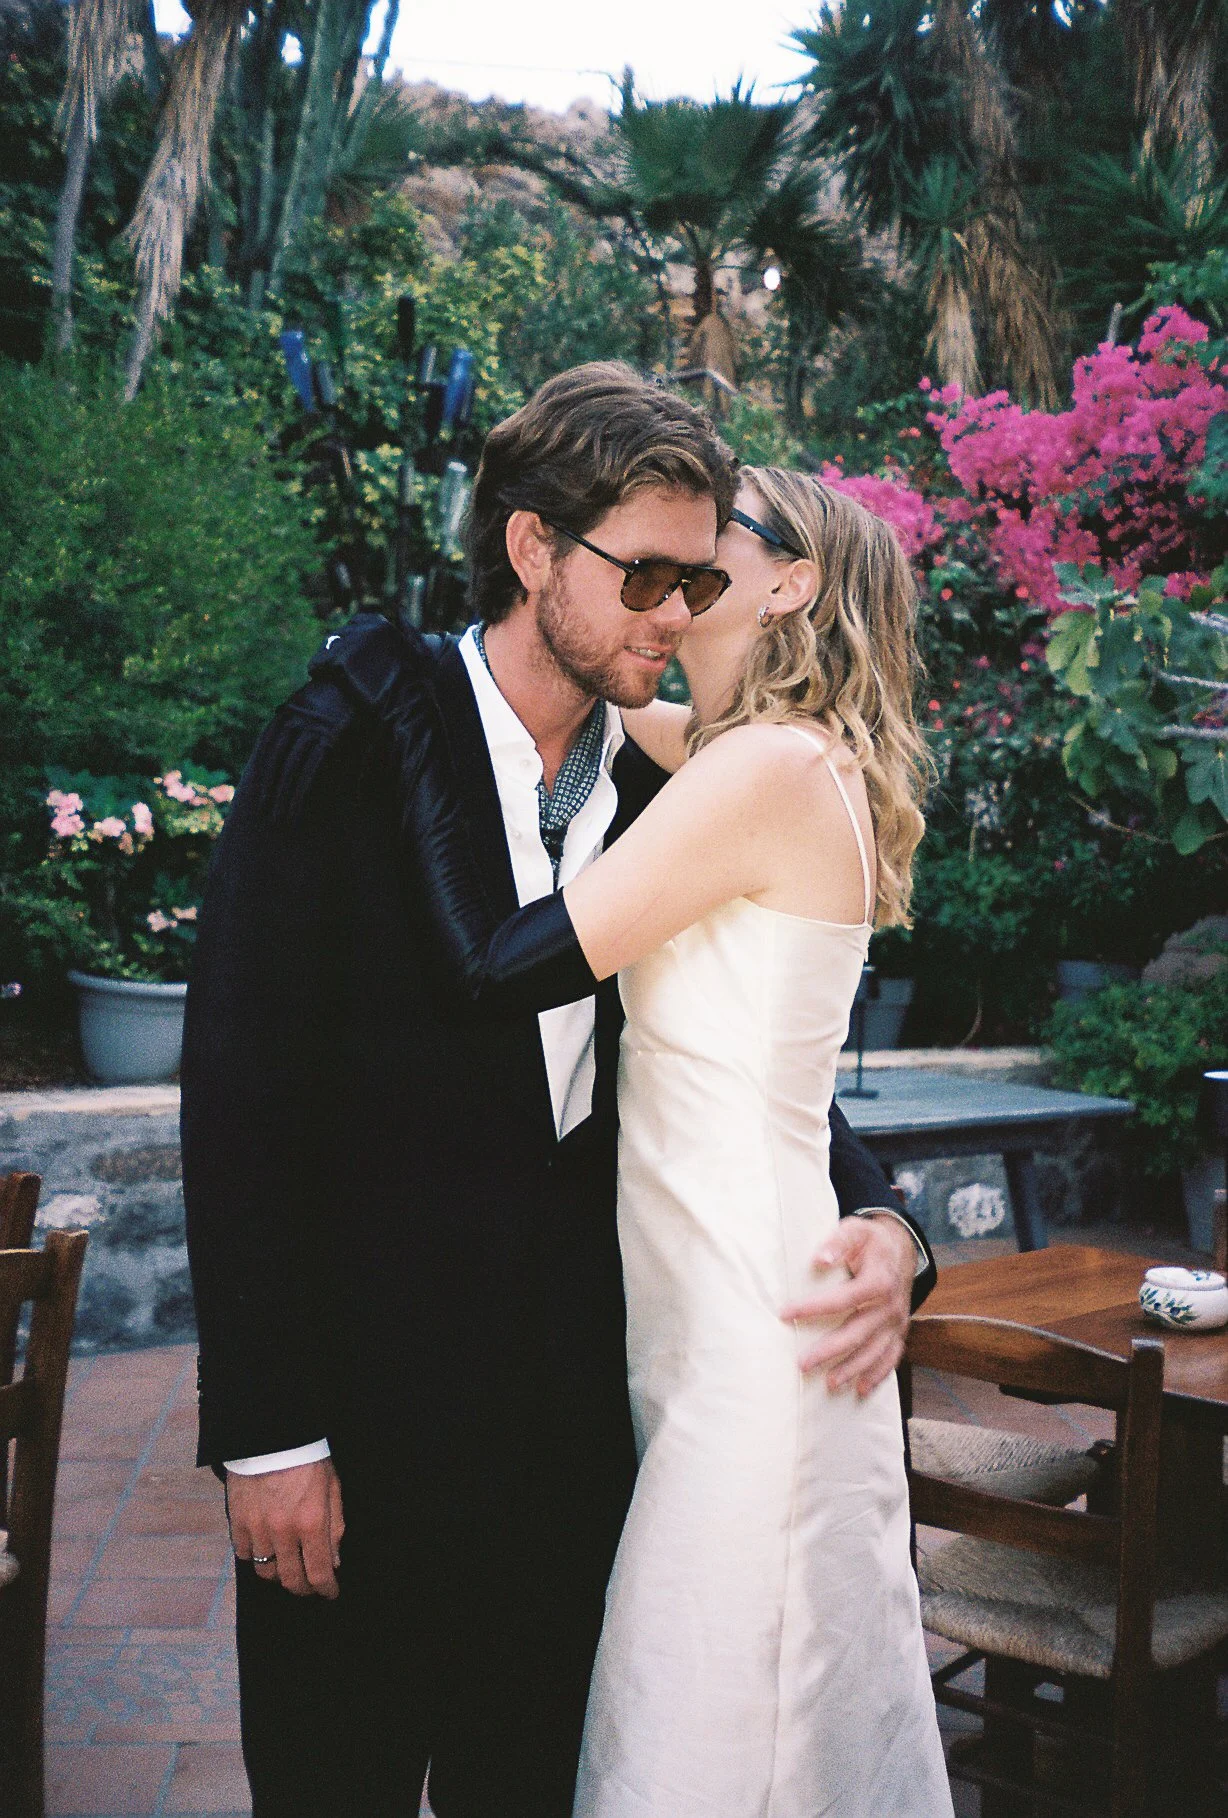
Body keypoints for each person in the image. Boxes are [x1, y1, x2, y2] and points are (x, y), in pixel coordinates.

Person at [182, 365, 935, 1818]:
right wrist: (270, 1430)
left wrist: (893, 1222)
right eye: (647, 573)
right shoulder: (344, 739)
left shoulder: (678, 785)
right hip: (367, 1445)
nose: (677, 612)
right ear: (534, 549)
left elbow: (748, 1065)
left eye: (701, 576)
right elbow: (243, 1096)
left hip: (588, 1458)